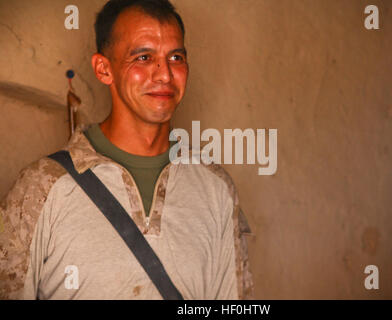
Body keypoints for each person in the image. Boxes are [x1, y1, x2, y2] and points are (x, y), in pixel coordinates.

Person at [0, 0, 253, 300]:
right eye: (144, 57)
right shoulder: (41, 187)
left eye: (175, 57)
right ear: (104, 69)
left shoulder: (215, 189)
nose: (164, 75)